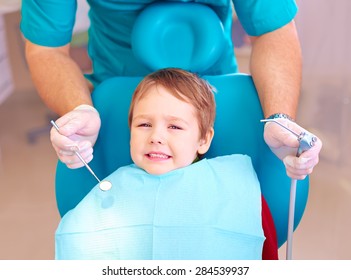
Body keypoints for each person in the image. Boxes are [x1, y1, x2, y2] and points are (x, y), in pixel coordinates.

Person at [20, 1, 321, 190]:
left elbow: (273, 30)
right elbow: (47, 50)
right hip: (117, 106)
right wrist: (79, 108)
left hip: (216, 99)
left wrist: (278, 116)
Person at [55, 68, 276, 260]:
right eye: (144, 124)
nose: (156, 137)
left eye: (174, 127)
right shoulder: (110, 192)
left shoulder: (236, 189)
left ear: (204, 139)